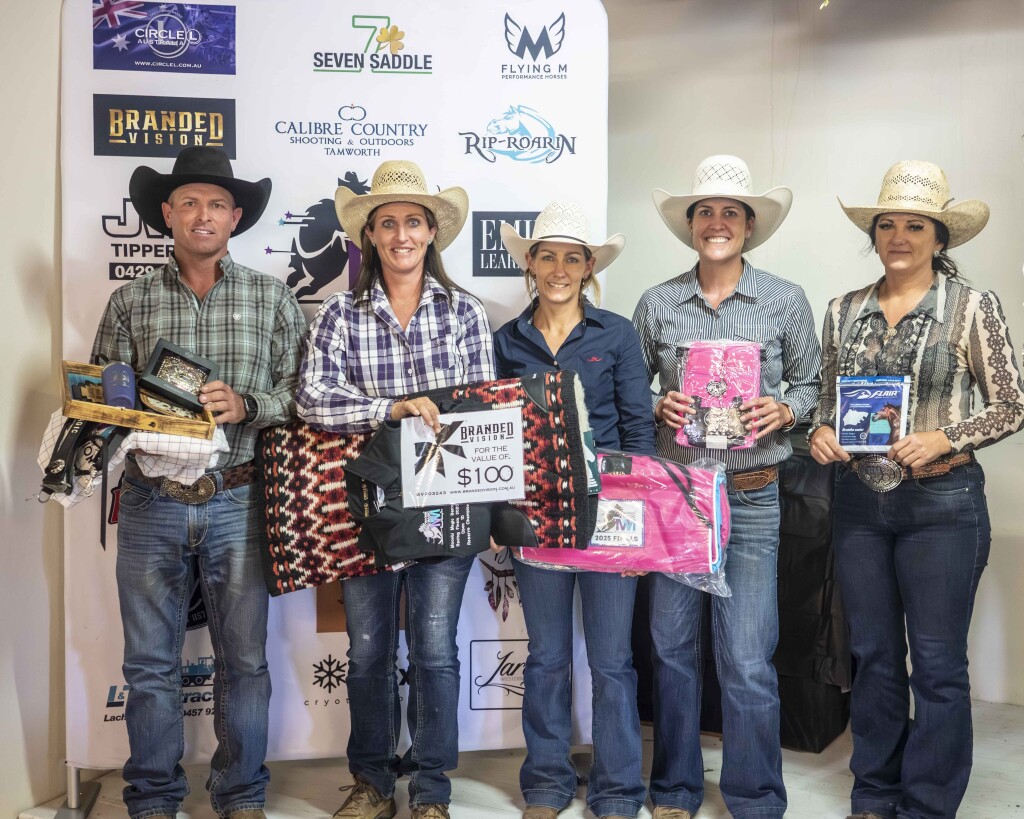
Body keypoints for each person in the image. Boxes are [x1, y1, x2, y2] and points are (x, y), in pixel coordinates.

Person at [90, 146, 306, 818]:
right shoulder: (129, 301)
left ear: (236, 216)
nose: (202, 215)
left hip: (239, 496)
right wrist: (130, 411)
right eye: (188, 202)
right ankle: (153, 798)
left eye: (216, 203)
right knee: (149, 663)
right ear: (167, 213)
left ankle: (240, 795)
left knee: (245, 661)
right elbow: (102, 400)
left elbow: (302, 394)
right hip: (151, 497)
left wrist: (247, 404)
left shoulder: (273, 297)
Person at [808, 160, 1024, 819]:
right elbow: (825, 402)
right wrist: (820, 431)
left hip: (942, 506)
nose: (898, 236)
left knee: (936, 660)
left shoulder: (972, 307)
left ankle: (928, 803)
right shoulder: (842, 311)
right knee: (872, 654)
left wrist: (945, 438)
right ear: (873, 234)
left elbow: (1012, 404)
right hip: (859, 504)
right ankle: (874, 791)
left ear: (939, 237)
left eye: (915, 225)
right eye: (887, 224)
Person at [296, 160, 494, 819]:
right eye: (388, 223)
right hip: (365, 509)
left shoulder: (464, 311)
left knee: (436, 650)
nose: (401, 234)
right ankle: (373, 782)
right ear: (370, 235)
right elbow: (311, 399)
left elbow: (482, 407)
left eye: (413, 222)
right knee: (368, 651)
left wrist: (404, 410)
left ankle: (431, 788)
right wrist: (393, 408)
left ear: (432, 232)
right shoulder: (338, 313)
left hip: (447, 504)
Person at [632, 155, 821, 819]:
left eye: (730, 212)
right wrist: (657, 405)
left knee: (746, 656)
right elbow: (632, 392)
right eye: (705, 212)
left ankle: (755, 795)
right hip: (677, 496)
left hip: (752, 493)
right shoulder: (656, 303)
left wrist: (786, 409)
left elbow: (813, 385)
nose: (717, 223)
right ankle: (675, 789)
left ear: (749, 225)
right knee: (672, 650)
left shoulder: (784, 300)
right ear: (691, 226)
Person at [492, 202, 655, 819]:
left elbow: (638, 429)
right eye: (547, 256)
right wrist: (497, 513)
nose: (559, 269)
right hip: (534, 512)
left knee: (612, 661)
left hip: (611, 511)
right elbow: (491, 432)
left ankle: (617, 791)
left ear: (589, 268)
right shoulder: (507, 341)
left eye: (572, 258)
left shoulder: (617, 334)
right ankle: (546, 785)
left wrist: (640, 524)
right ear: (531, 265)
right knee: (547, 658)